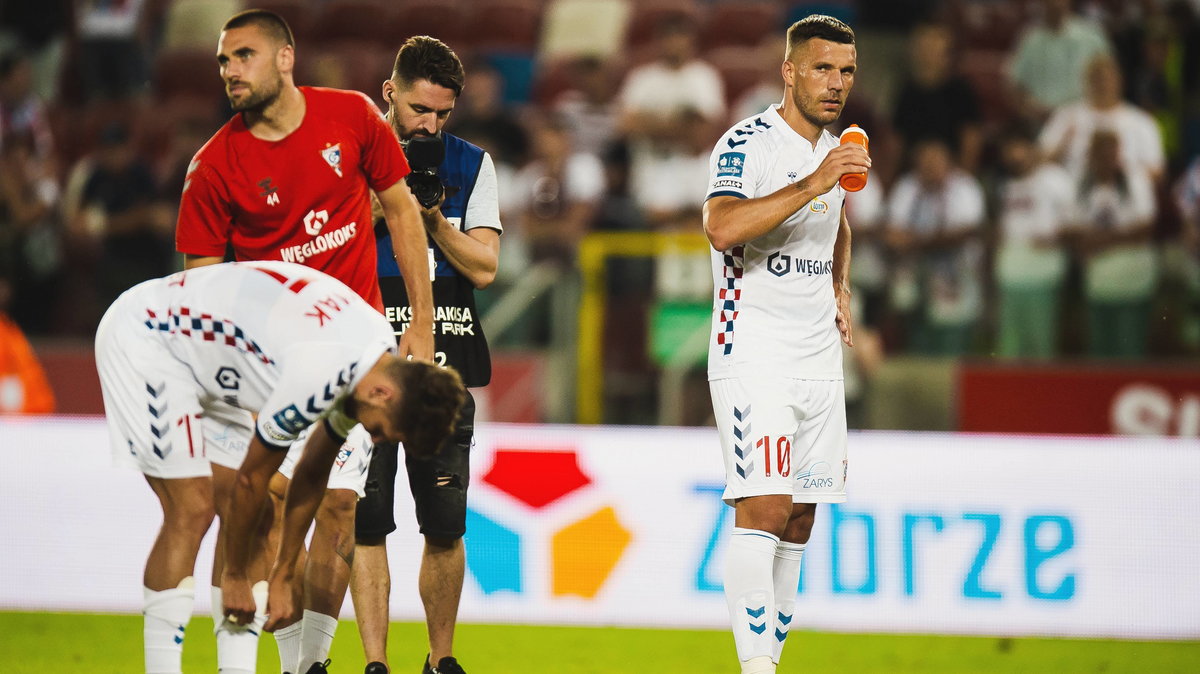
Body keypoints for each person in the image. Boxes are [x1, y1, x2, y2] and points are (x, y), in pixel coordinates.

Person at [171, 10, 435, 674]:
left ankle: (305, 666)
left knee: (341, 507)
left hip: (354, 355)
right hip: (264, 365)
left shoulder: (350, 119)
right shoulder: (213, 167)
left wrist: (422, 323)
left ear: (286, 59)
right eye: (224, 60)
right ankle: (255, 659)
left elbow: (401, 209)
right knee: (263, 509)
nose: (231, 70)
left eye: (245, 56)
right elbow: (201, 293)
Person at [94, 261, 463, 674]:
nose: (376, 441)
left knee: (257, 516)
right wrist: (235, 574)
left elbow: (311, 471)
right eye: (384, 431)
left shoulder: (373, 351)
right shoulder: (321, 373)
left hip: (211, 363)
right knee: (192, 508)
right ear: (383, 394)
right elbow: (253, 477)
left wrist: (285, 572)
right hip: (149, 337)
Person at [701, 15, 865, 674]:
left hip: (817, 356)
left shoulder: (832, 150)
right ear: (790, 70)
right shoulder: (747, 143)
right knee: (765, 506)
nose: (836, 84)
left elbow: (837, 223)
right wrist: (815, 181)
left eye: (847, 71)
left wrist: (840, 284)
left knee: (800, 517)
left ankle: (768, 660)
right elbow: (722, 226)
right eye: (823, 68)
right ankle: (756, 670)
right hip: (755, 352)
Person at [351, 35, 501, 674]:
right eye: (418, 110)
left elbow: (487, 266)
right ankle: (377, 663)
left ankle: (441, 662)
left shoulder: (471, 165)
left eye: (442, 114)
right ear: (390, 92)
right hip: (364, 355)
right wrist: (394, 206)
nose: (429, 126)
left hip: (443, 362)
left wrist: (436, 220)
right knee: (366, 521)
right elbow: (336, 239)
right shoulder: (351, 156)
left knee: (445, 522)